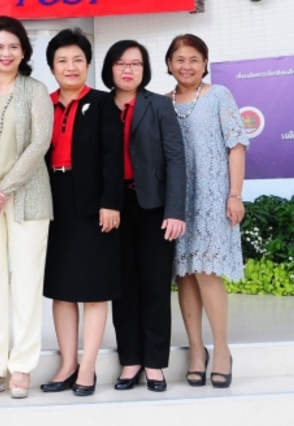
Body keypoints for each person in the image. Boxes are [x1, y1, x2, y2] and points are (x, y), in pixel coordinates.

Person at [0, 16, 53, 399]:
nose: (6, 53)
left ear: (23, 52)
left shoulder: (36, 91)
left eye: (13, 46)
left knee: (27, 284)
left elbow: (40, 144)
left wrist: (3, 189)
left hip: (28, 200)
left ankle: (21, 367)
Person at [40, 28, 123, 397]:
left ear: (88, 64)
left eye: (77, 60)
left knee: (93, 289)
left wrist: (111, 202)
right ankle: (67, 363)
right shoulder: (43, 103)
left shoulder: (103, 103)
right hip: (52, 198)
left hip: (93, 202)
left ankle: (87, 366)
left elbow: (113, 157)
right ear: (52, 68)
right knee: (61, 289)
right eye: (62, 61)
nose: (70, 66)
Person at [102, 40, 186, 393]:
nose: (128, 70)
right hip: (113, 207)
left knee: (154, 284)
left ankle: (153, 362)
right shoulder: (99, 104)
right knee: (122, 287)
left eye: (135, 64)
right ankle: (130, 360)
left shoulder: (160, 105)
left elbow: (176, 158)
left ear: (145, 69)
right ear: (110, 67)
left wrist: (175, 210)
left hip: (153, 207)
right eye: (121, 63)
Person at [166, 34, 247, 389]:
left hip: (214, 197)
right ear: (169, 64)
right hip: (177, 202)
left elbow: (236, 146)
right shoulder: (162, 102)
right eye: (180, 59)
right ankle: (196, 351)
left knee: (207, 271)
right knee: (185, 273)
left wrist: (235, 195)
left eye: (194, 59)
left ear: (205, 63)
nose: (186, 66)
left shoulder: (219, 96)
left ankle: (222, 349)